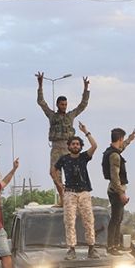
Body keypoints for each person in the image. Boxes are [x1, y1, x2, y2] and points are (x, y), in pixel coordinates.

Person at [36, 72, 90, 205]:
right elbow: (41, 102)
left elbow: (82, 105)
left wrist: (85, 89)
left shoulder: (70, 116)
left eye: (65, 104)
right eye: (61, 104)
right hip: (56, 147)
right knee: (54, 173)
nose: (64, 107)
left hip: (68, 148)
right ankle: (62, 197)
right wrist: (40, 85)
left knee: (72, 175)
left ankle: (72, 198)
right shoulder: (52, 116)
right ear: (57, 105)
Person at [51, 122, 99, 260]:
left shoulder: (84, 157)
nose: (75, 146)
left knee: (89, 220)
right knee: (70, 221)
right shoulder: (64, 159)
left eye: (78, 144)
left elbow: (95, 146)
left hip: (84, 192)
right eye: (73, 144)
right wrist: (59, 184)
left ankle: (92, 248)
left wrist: (86, 131)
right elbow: (54, 170)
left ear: (80, 146)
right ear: (69, 146)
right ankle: (71, 249)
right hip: (70, 193)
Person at [101, 127, 135, 255]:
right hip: (116, 190)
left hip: (115, 189)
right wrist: (121, 193)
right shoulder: (114, 156)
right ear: (120, 138)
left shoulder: (112, 152)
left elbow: (121, 148)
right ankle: (112, 246)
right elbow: (115, 176)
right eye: (123, 139)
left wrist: (130, 140)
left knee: (118, 218)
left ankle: (116, 244)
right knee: (115, 219)